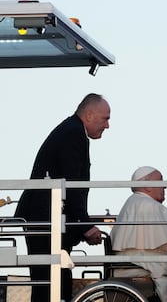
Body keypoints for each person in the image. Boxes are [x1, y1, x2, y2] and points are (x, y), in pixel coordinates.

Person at [14, 93, 110, 302]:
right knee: (52, 283)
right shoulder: (74, 134)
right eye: (105, 118)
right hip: (45, 219)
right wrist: (85, 226)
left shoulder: (71, 130)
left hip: (44, 218)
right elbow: (71, 184)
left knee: (52, 281)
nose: (108, 125)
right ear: (90, 114)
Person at [110, 166, 167, 302]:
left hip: (134, 263)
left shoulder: (132, 203)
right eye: (161, 181)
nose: (165, 187)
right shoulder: (150, 206)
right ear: (147, 186)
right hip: (146, 266)